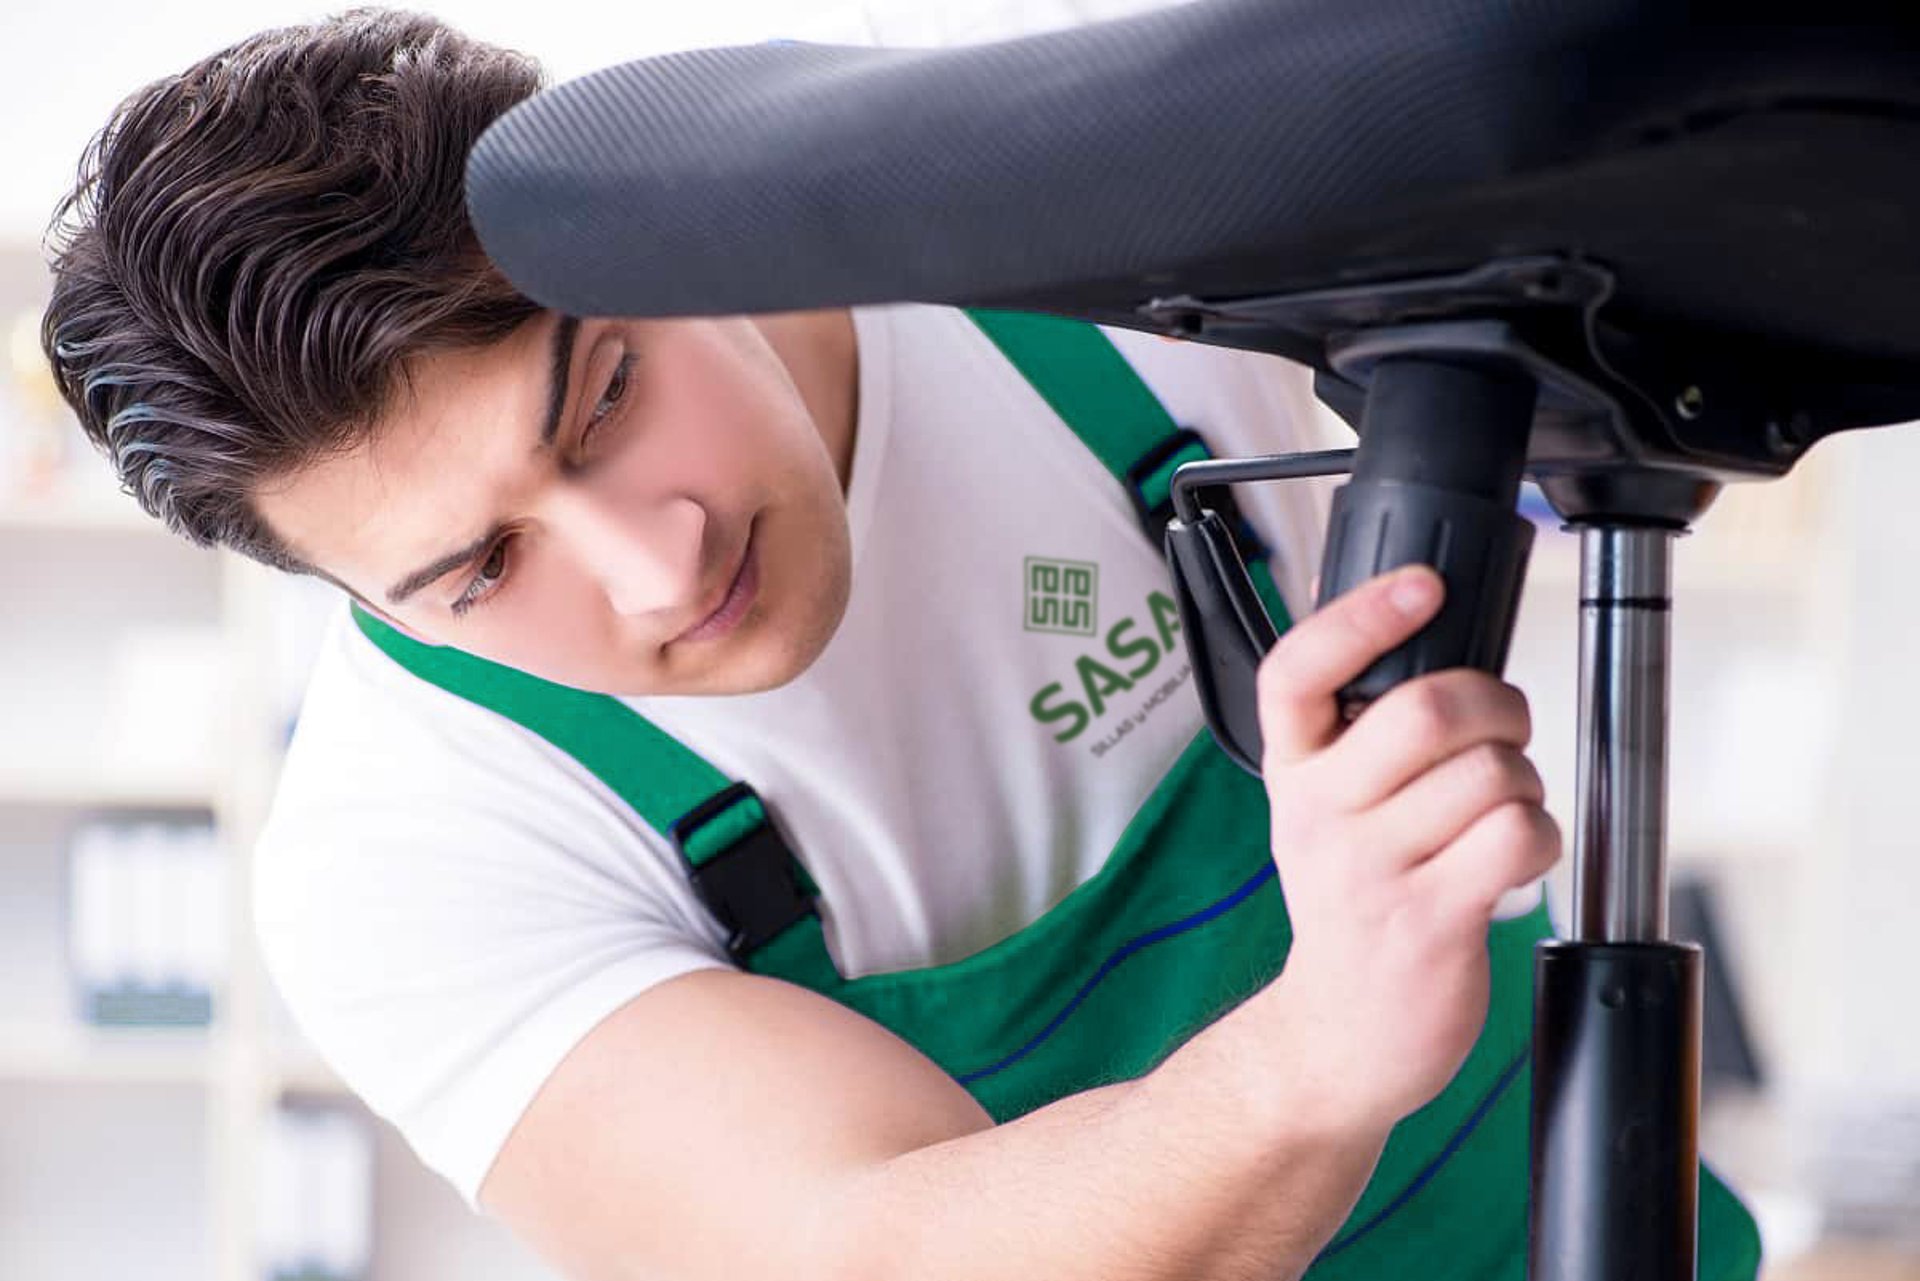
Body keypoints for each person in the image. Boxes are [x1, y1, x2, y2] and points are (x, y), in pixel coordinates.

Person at [41, 7, 1760, 1280]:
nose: (654, 565)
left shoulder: (1078, 272)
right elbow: (868, 1251)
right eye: (481, 567)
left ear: (661, 234)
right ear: (348, 597)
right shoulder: (409, 857)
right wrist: (1318, 1049)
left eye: (609, 395)